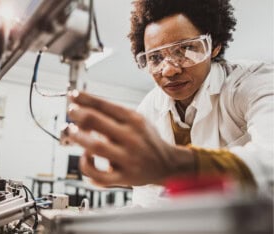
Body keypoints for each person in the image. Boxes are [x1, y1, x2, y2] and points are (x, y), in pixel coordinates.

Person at [64, 0, 273, 206]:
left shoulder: (253, 82)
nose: (169, 70)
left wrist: (174, 164)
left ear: (215, 45)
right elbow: (148, 201)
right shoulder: (150, 106)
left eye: (185, 49)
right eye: (155, 58)